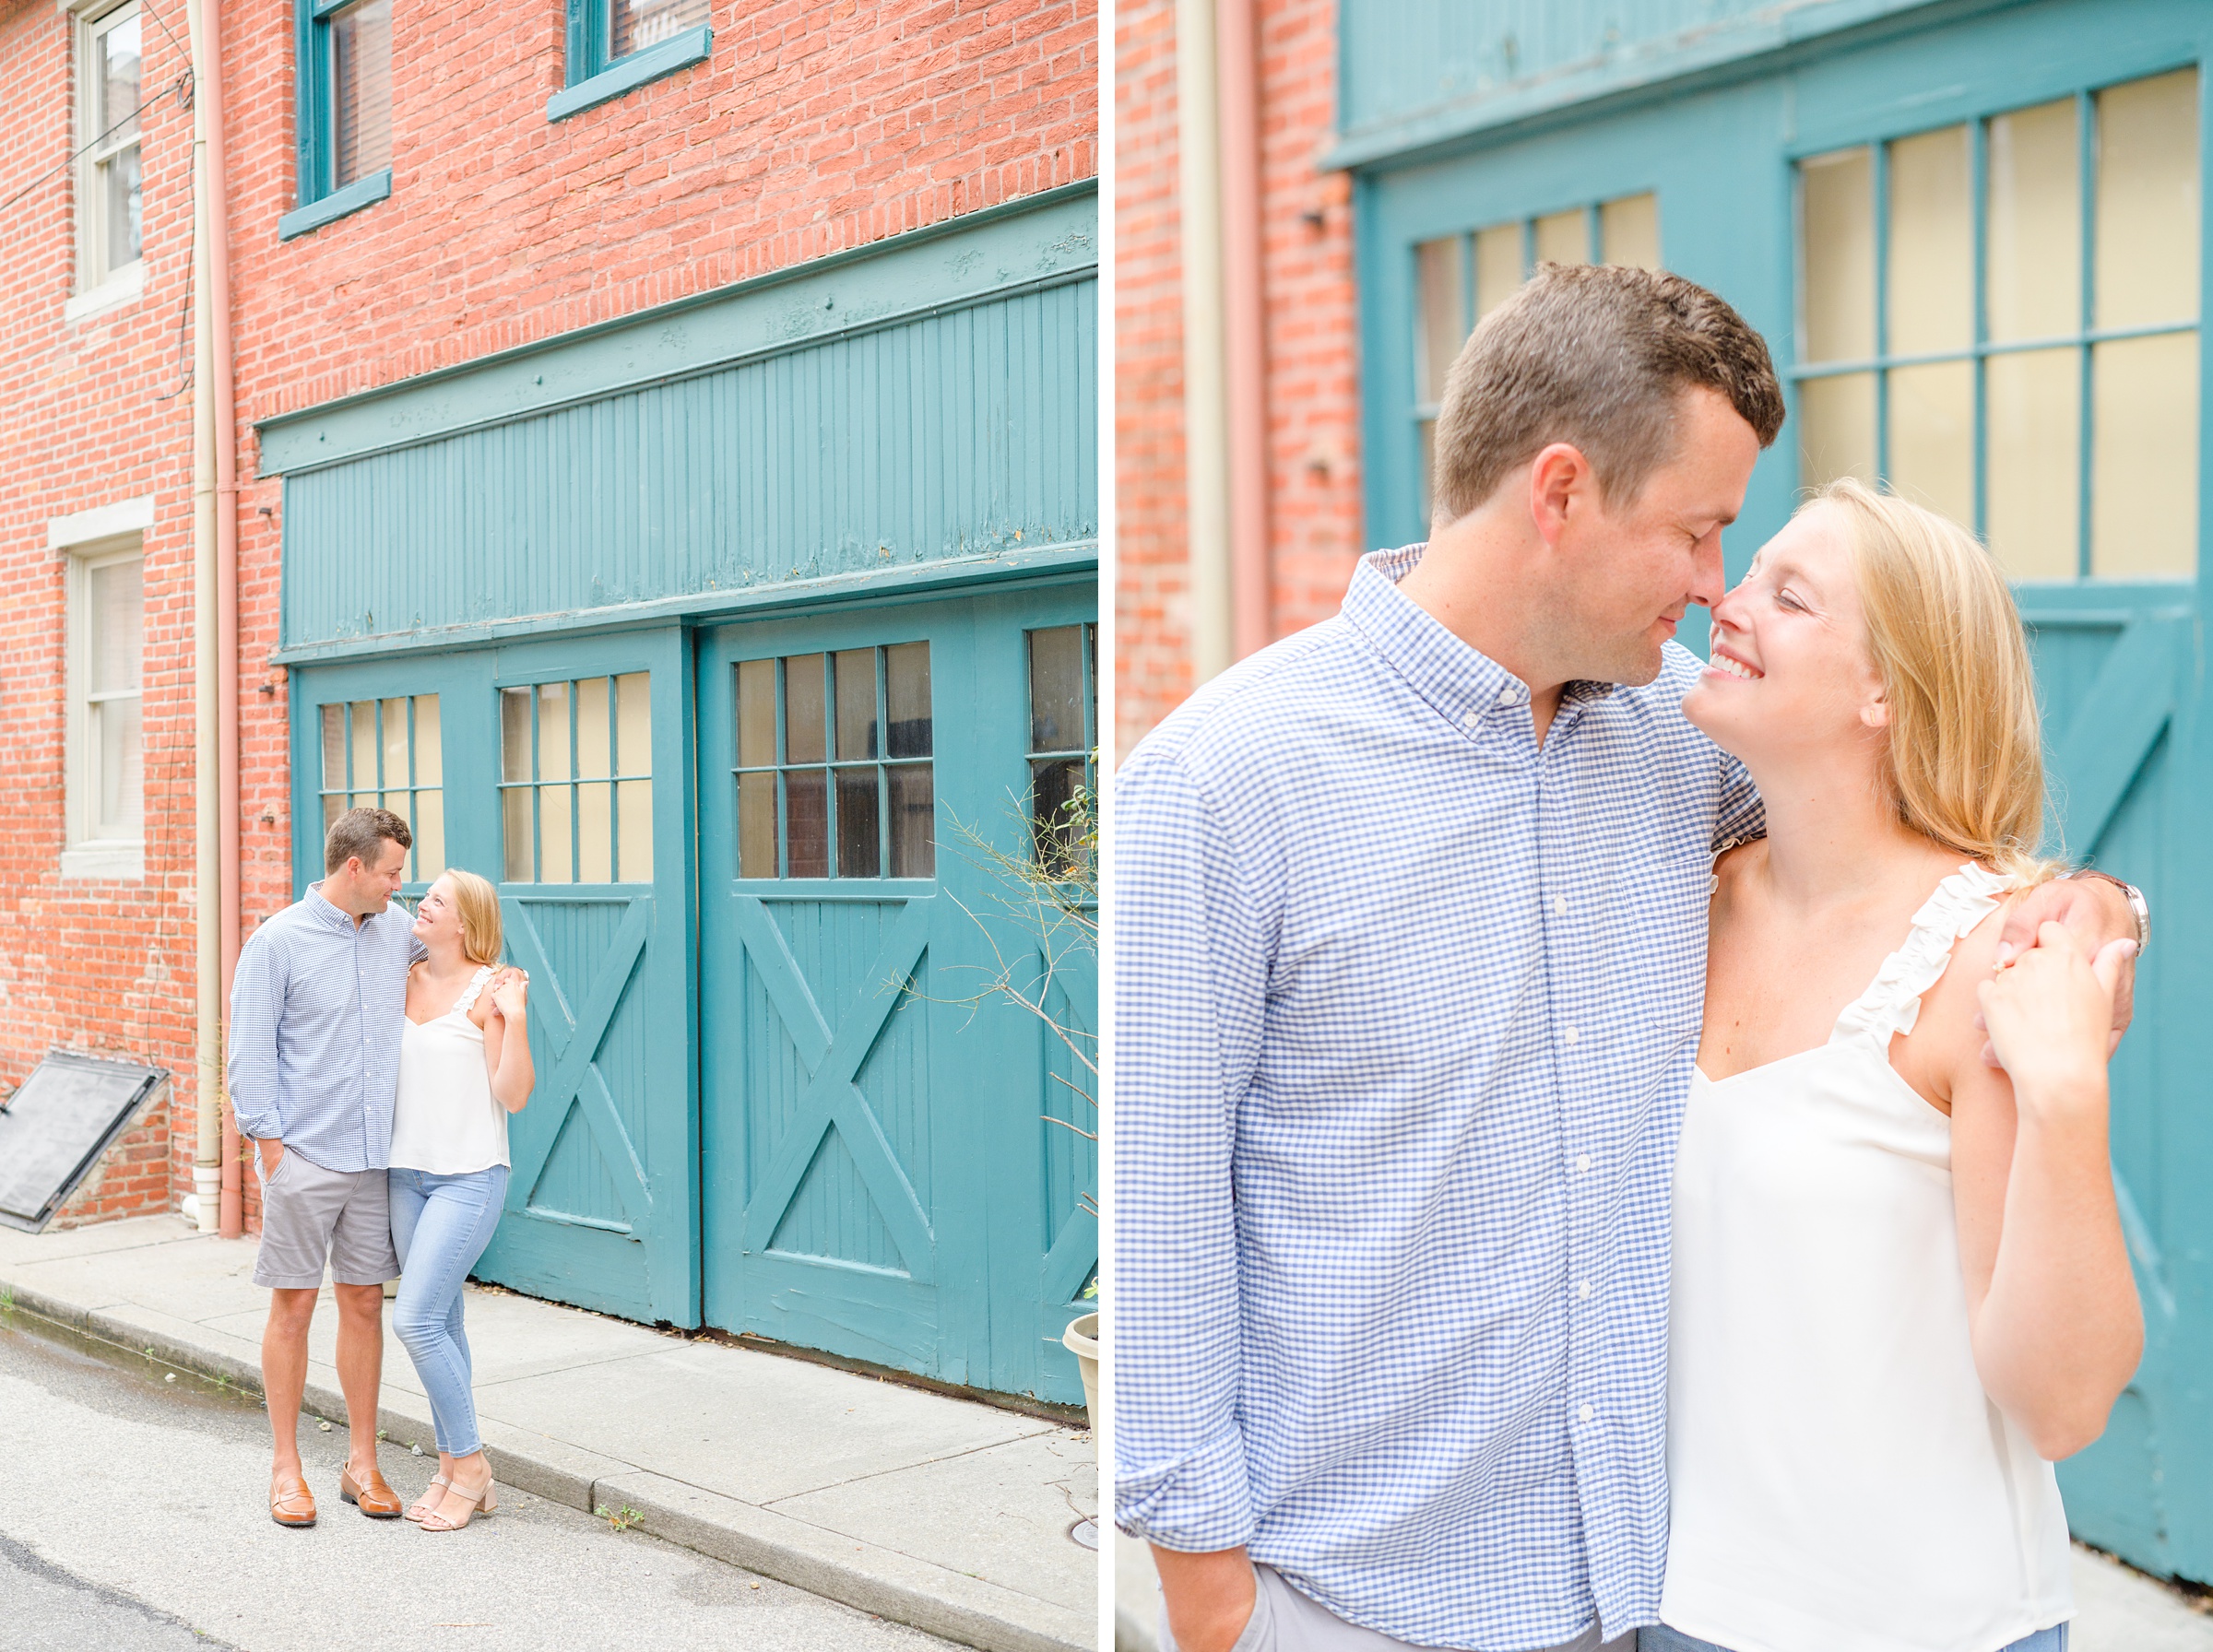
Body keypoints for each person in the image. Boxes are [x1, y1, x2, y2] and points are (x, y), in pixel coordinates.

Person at [1113, 264, 2147, 1652]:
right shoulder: (1227, 780)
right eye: (1701, 532)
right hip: (1358, 1604)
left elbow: (1895, 846)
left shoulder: (1681, 737)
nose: (1718, 587)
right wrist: (1215, 1603)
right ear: (1559, 493)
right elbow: (1164, 1213)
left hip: (1638, 1597)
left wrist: (2088, 910)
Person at [1645, 480, 2142, 1652]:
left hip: (1930, 1625)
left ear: (1886, 689)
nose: (1727, 600)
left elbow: (2062, 1403)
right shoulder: (1674, 906)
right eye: (1744, 570)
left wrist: (2066, 1096)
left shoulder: (1995, 959)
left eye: (1791, 595)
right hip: (1677, 1611)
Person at [228, 807, 423, 1528]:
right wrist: (272, 1151)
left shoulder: (399, 932)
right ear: (354, 869)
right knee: (295, 1307)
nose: (400, 883)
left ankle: (362, 1464)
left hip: (377, 1160)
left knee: (366, 1302)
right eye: (392, 871)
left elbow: (451, 975)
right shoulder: (277, 941)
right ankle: (286, 1469)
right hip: (304, 1154)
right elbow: (249, 1050)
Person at [387, 867, 534, 1535]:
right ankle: (449, 1465)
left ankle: (471, 1464)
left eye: (437, 900)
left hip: (469, 1177)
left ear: (466, 923)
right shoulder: (401, 975)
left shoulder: (488, 991)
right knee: (442, 1323)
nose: (423, 905)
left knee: (414, 1322)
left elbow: (513, 1095)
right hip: (404, 1176)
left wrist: (517, 1019)